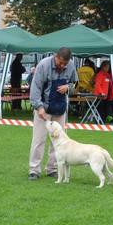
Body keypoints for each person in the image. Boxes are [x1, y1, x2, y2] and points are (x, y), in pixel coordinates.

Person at [28, 47, 78, 181]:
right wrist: (39, 107)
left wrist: (68, 87)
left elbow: (76, 84)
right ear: (56, 56)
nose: (62, 66)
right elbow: (35, 88)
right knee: (39, 140)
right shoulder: (43, 65)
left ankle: (52, 169)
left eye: (65, 64)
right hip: (43, 109)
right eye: (60, 62)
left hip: (60, 109)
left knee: (58, 142)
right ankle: (34, 170)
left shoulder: (71, 65)